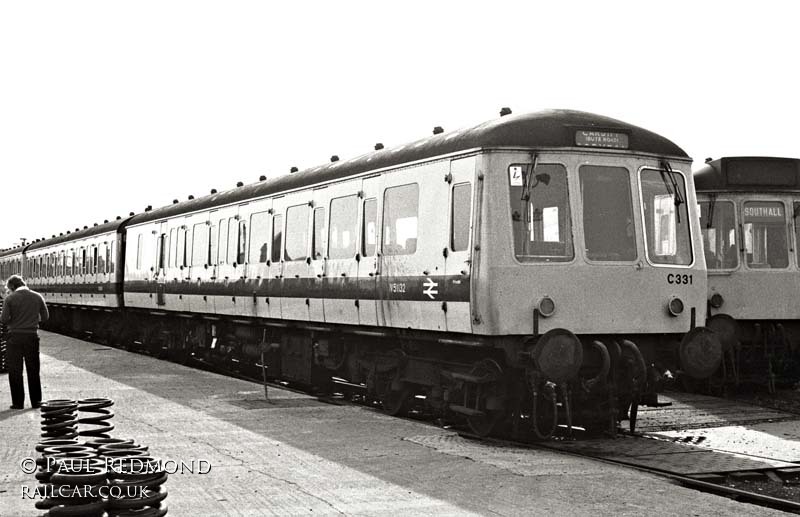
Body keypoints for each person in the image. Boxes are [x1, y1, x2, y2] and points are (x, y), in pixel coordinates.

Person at [1, 275, 49, 409]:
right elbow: (45, 317)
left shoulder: (10, 299)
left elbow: (4, 319)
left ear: (12, 287)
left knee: (15, 371)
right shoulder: (37, 296)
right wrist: (32, 321)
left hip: (14, 338)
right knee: (33, 370)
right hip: (32, 337)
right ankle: (36, 401)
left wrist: (15, 322)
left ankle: (18, 403)